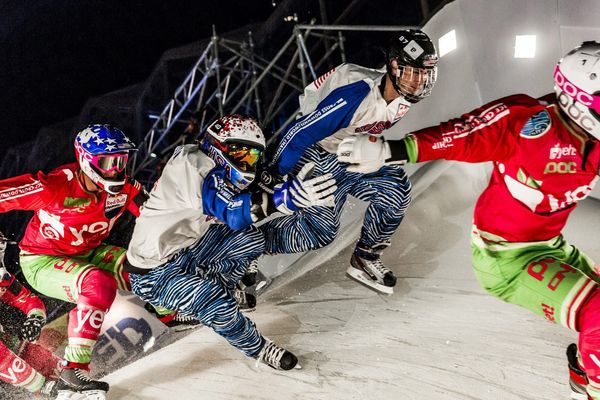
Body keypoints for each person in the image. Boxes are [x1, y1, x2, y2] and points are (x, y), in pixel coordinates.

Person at [337, 41, 600, 399]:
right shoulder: (531, 123)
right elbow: (461, 135)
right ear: (577, 99)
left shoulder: (591, 136)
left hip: (548, 246)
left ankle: (585, 371)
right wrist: (390, 150)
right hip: (508, 261)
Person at [125, 114, 336, 370]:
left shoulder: (212, 165)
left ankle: (223, 290)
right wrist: (283, 199)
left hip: (191, 248)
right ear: (218, 146)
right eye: (241, 154)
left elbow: (255, 194)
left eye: (253, 157)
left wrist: (284, 189)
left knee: (250, 238)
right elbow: (235, 213)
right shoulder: (193, 170)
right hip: (154, 274)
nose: (248, 163)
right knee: (212, 298)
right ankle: (258, 348)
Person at [0, 124, 192, 399]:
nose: (116, 169)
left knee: (140, 261)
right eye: (108, 162)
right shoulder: (55, 185)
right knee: (98, 283)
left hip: (86, 252)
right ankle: (73, 370)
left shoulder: (123, 188)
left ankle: (169, 312)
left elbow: (156, 216)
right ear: (87, 162)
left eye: (121, 161)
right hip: (42, 260)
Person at [255, 29, 439, 294]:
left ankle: (365, 257)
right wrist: (274, 173)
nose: (419, 82)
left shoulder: (402, 99)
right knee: (321, 231)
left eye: (425, 75)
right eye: (413, 73)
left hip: (346, 151)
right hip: (315, 150)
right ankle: (248, 247)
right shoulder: (356, 96)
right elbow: (301, 131)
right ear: (395, 67)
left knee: (396, 188)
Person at [0, 235, 58, 398]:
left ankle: (64, 376)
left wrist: (35, 318)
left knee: (27, 351)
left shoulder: (2, 278)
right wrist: (44, 386)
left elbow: (28, 300)